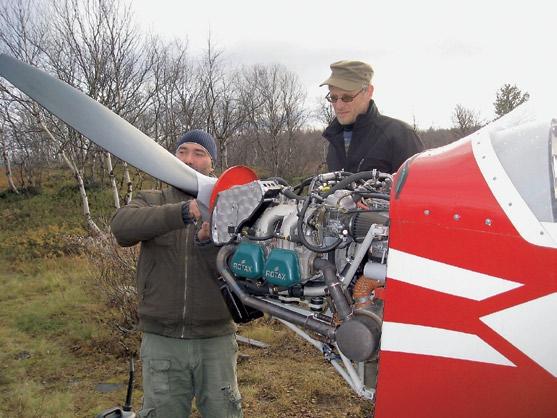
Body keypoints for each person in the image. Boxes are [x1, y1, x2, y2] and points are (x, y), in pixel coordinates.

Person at [111, 129, 242, 418]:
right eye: (182, 151)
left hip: (215, 338)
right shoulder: (151, 199)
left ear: (212, 164)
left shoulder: (231, 205)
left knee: (225, 412)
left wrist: (208, 244)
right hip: (162, 338)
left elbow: (241, 273)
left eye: (199, 153)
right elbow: (121, 229)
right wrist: (185, 211)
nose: (189, 159)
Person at [320, 60, 424, 174]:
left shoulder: (401, 135)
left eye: (347, 97)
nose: (339, 106)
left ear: (368, 92)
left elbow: (422, 187)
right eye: (333, 98)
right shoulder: (334, 142)